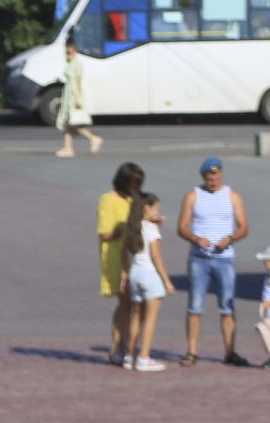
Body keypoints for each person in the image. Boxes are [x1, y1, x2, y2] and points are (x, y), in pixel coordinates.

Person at [176, 157, 250, 367]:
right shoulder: (193, 195)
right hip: (199, 258)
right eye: (209, 178)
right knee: (195, 306)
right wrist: (195, 238)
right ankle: (192, 351)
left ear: (222, 174)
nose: (213, 181)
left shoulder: (233, 196)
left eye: (216, 176)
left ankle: (230, 351)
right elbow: (181, 227)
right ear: (203, 177)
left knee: (227, 305)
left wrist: (232, 238)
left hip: (224, 258)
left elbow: (244, 227)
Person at [97, 162, 146, 366]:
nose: (135, 188)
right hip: (116, 257)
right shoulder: (108, 200)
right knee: (126, 302)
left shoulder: (134, 199)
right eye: (132, 184)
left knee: (139, 303)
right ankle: (118, 346)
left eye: (138, 184)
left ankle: (126, 344)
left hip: (138, 257)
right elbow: (106, 234)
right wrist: (127, 227)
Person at [120, 191, 174, 372]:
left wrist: (124, 275)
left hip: (135, 273)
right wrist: (166, 280)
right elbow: (156, 256)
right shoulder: (151, 229)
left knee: (136, 316)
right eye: (155, 209)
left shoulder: (131, 228)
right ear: (146, 208)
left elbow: (123, 254)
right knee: (150, 319)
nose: (158, 212)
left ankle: (129, 356)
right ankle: (144, 358)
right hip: (150, 275)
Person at [53, 39, 102, 158]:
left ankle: (93, 138)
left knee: (73, 123)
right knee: (67, 124)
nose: (67, 55)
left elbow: (78, 82)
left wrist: (78, 99)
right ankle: (68, 148)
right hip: (68, 95)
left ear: (75, 51)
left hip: (74, 95)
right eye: (66, 52)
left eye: (69, 52)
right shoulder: (70, 63)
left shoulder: (77, 64)